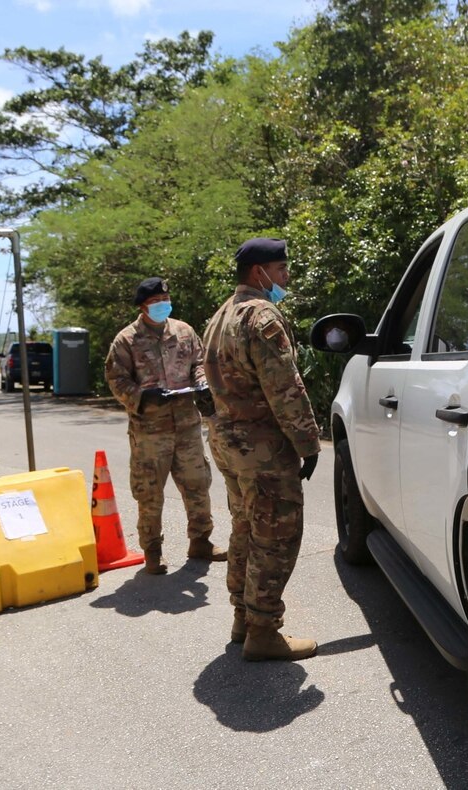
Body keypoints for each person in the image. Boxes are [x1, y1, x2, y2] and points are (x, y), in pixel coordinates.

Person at [203, 238, 321, 662]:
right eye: (282, 269)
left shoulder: (220, 315)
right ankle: (263, 631)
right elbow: (284, 386)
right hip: (262, 448)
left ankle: (243, 617)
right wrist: (307, 443)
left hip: (227, 441)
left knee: (246, 529)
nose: (286, 278)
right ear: (260, 273)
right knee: (276, 536)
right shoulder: (261, 315)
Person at [105, 276, 225, 575]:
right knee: (149, 492)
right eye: (155, 302)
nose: (162, 306)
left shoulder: (184, 331)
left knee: (198, 484)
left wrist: (201, 382)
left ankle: (201, 540)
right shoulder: (126, 340)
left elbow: (199, 362)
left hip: (186, 424)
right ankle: (152, 551)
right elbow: (116, 379)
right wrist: (143, 398)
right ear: (143, 307)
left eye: (164, 301)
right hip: (150, 430)